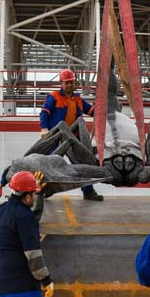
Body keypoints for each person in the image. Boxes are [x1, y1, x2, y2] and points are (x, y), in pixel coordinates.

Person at [39, 68, 103, 201]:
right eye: (66, 83)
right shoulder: (54, 97)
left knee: (81, 164)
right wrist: (44, 129)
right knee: (50, 164)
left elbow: (92, 111)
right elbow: (44, 112)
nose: (69, 85)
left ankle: (88, 191)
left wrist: (104, 107)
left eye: (71, 82)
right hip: (56, 136)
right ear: (61, 83)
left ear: (74, 83)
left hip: (72, 137)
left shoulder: (78, 99)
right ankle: (45, 189)